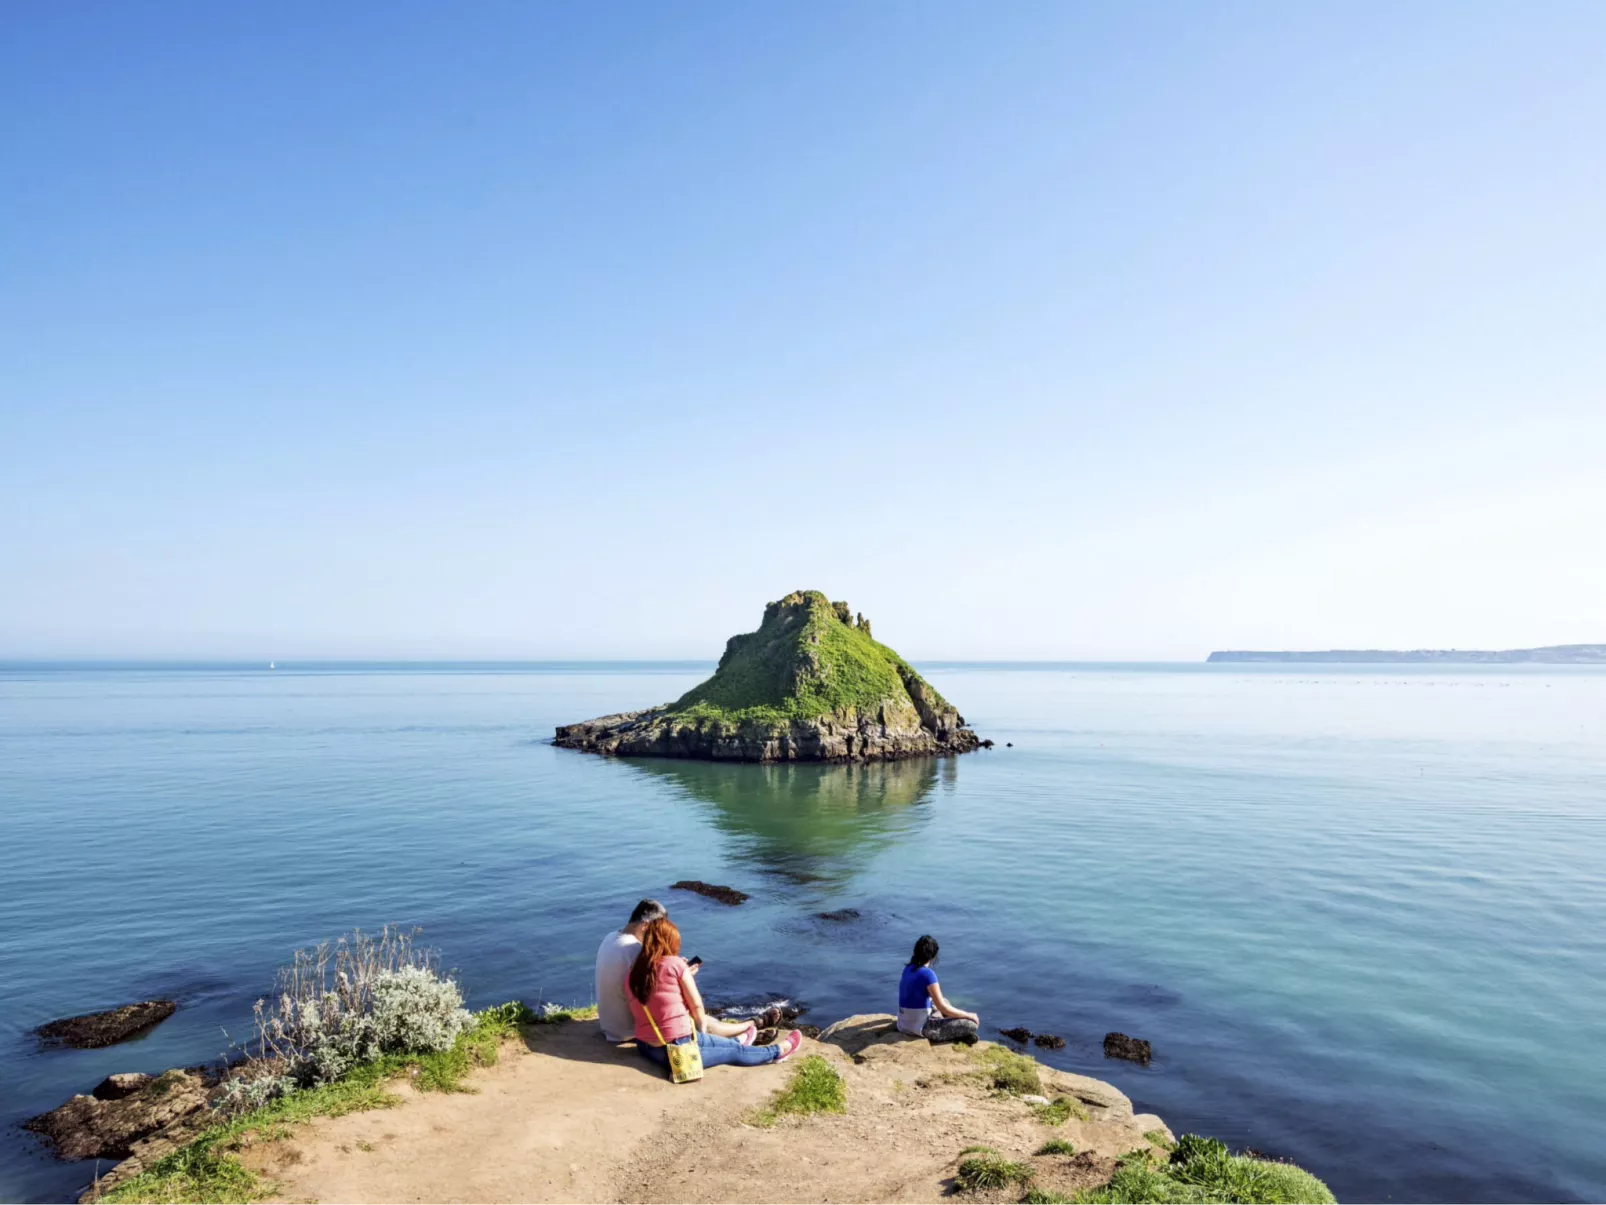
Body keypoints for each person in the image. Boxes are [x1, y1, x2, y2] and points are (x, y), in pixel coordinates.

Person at [628, 916, 802, 1071]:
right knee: (734, 1053)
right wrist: (700, 1036)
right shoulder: (675, 964)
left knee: (721, 1043)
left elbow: (658, 999)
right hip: (676, 1050)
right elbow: (696, 1007)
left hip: (646, 1047)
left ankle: (736, 1040)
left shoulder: (633, 972)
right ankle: (778, 1052)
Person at [595, 899, 761, 1044]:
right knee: (695, 1018)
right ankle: (750, 1026)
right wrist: (683, 975)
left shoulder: (610, 937)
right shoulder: (635, 950)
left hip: (610, 1026)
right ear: (645, 926)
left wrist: (675, 971)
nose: (657, 936)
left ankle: (746, 1028)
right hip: (630, 1030)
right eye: (656, 930)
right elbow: (660, 990)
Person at [897, 934, 979, 1044]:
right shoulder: (928, 974)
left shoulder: (907, 968)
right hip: (921, 1028)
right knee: (971, 1024)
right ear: (933, 956)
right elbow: (942, 1007)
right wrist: (969, 1015)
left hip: (902, 1024)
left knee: (944, 1001)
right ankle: (958, 1035)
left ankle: (956, 1031)